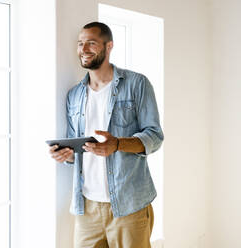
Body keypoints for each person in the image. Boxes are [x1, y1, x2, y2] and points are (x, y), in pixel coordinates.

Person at [49, 22, 164, 248]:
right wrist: (65, 155)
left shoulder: (137, 84)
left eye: (91, 43)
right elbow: (77, 151)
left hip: (129, 205)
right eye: (80, 44)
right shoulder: (74, 95)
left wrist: (118, 144)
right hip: (87, 209)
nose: (84, 49)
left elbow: (155, 136)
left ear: (108, 46)